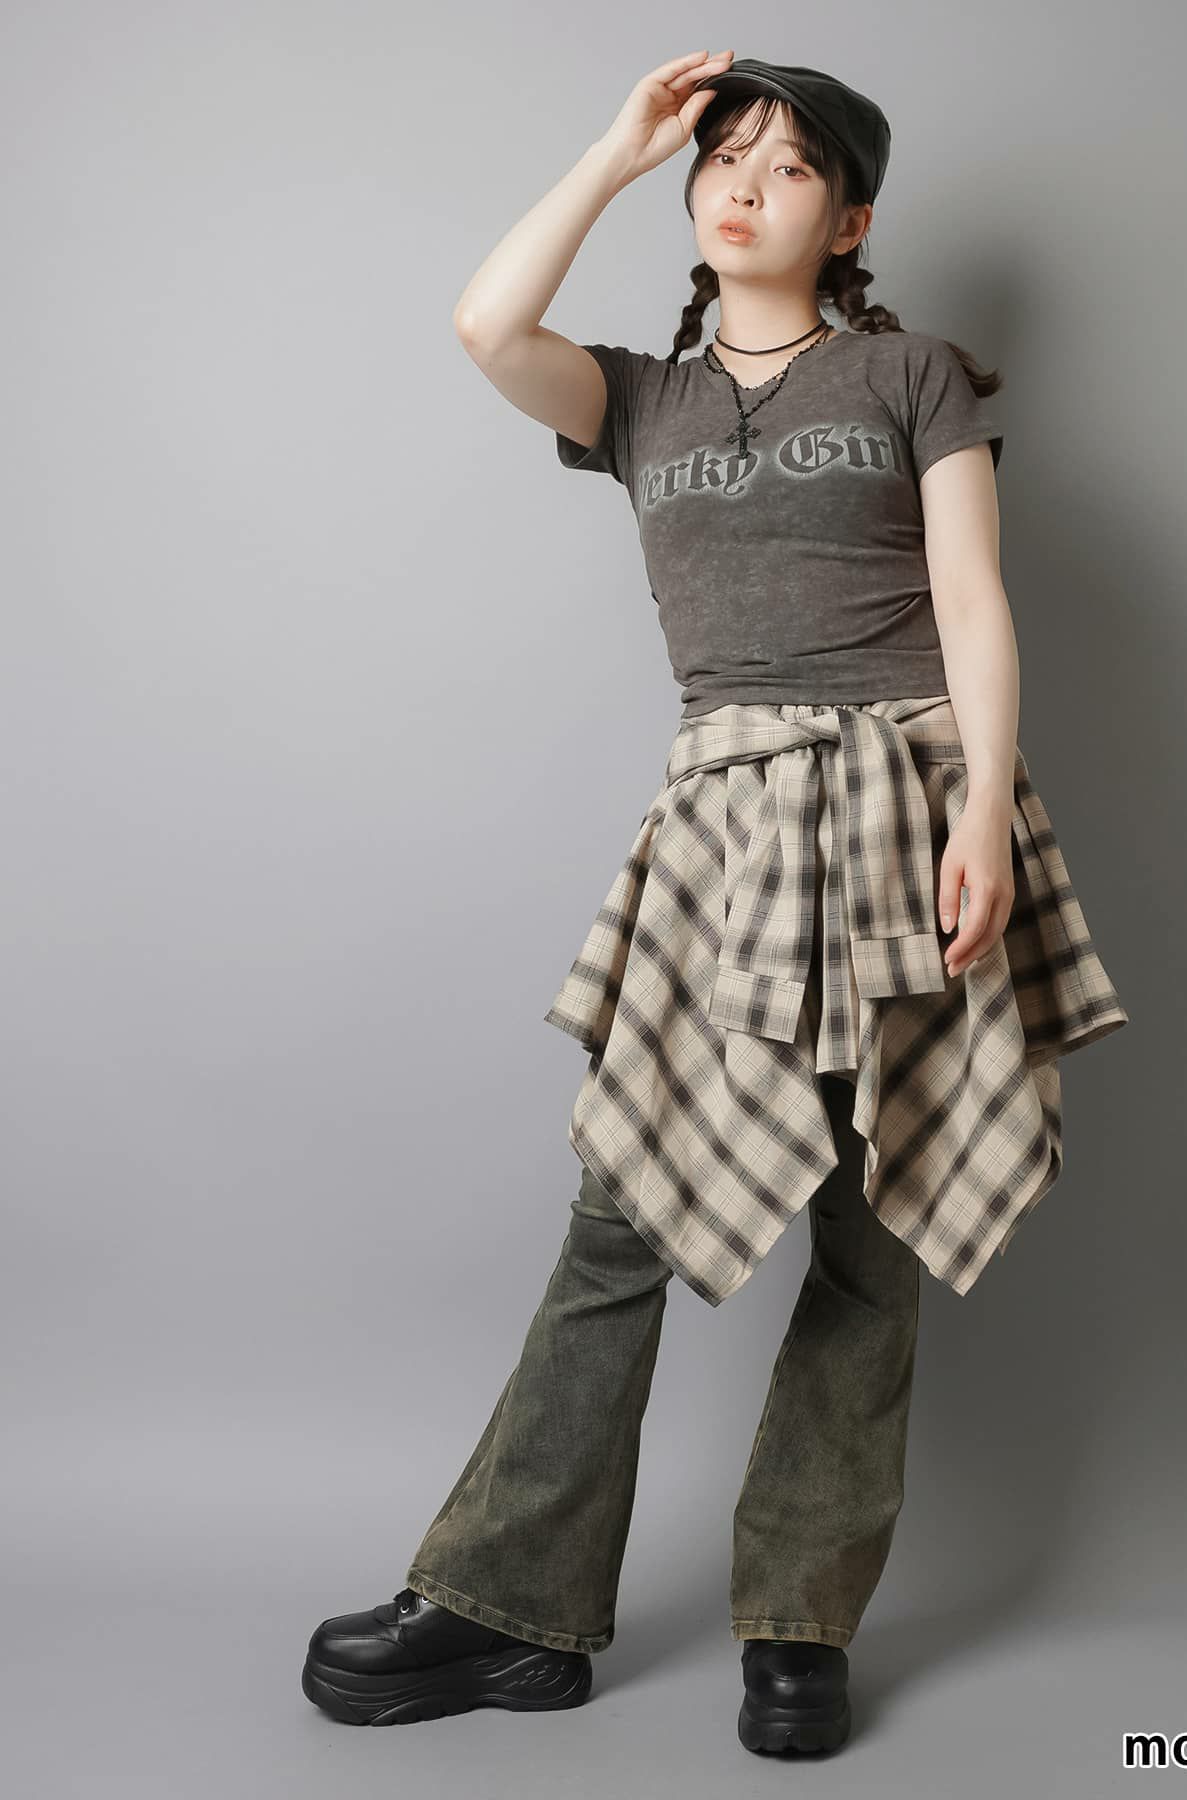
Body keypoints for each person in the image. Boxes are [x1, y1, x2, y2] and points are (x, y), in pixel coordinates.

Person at [301, 50, 1129, 1756]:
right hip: (729, 828)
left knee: (878, 1225)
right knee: (625, 1214)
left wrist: (985, 806)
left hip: (909, 800)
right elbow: (485, 323)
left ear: (853, 220)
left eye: (791, 166)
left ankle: (800, 1632)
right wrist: (616, 151)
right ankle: (507, 1611)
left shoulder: (911, 373)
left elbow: (973, 602)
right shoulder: (638, 400)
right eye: (724, 157)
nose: (746, 184)